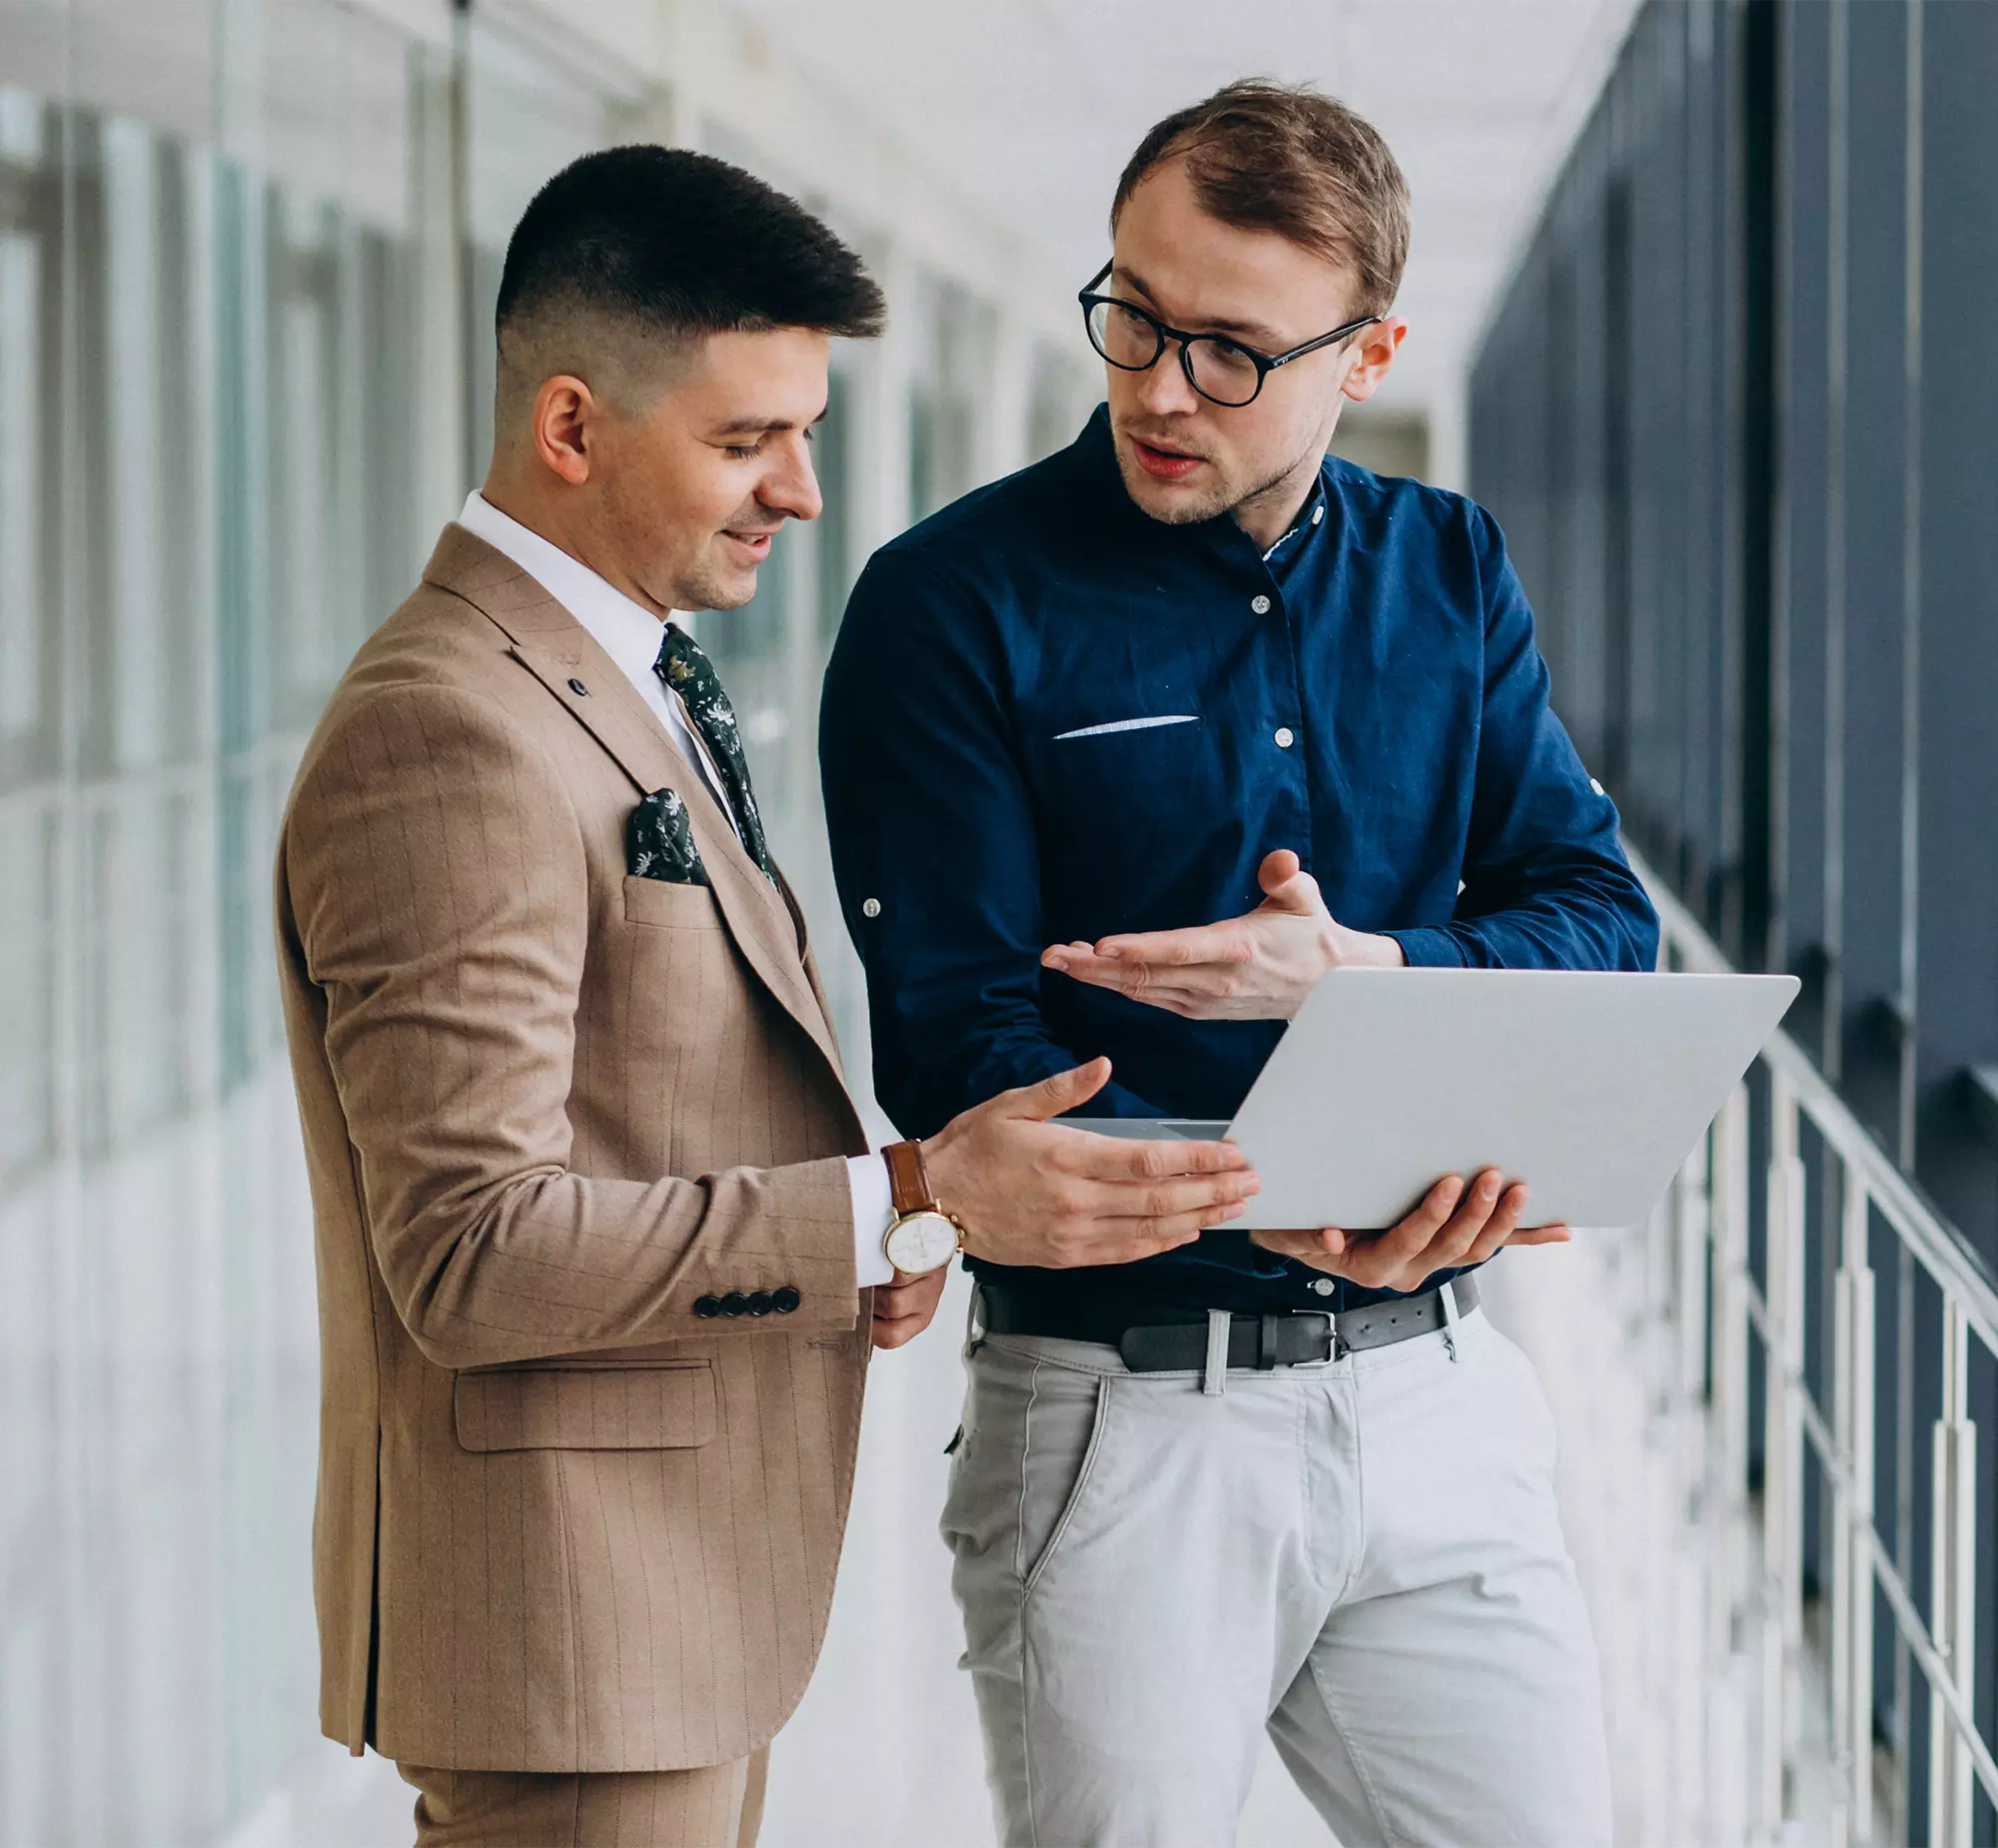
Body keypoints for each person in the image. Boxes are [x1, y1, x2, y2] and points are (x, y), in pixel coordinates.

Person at [273, 146, 1257, 1848]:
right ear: (570, 429)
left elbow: (642, 1096)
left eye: (805, 431)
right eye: (747, 440)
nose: (801, 490)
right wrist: (905, 1194)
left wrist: (849, 1243)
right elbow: (470, 1246)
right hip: (570, 1644)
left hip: (660, 1626)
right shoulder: (450, 729)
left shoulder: (614, 669)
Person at [820, 81, 1659, 1848]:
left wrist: (1364, 971)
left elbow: (1598, 918)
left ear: (1369, 354)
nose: (1156, 387)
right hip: (1126, 1428)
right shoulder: (949, 603)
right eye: (1131, 314)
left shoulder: (1450, 568)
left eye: (1230, 351)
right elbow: (962, 1055)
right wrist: (1270, 1195)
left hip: (1440, 1390)